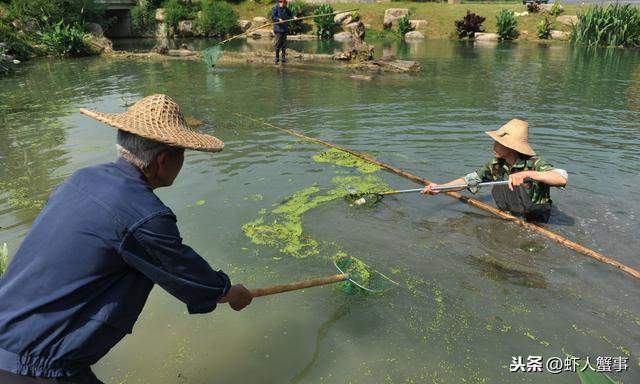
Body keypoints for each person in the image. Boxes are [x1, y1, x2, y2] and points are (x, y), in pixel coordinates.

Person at [0, 94, 253, 384]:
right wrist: (231, 293)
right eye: (182, 153)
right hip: (36, 366)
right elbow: (191, 278)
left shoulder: (80, 179)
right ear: (163, 160)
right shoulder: (145, 216)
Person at [421, 119, 568, 223]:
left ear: (511, 147)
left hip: (536, 219)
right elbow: (468, 180)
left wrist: (526, 174)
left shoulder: (534, 163)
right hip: (508, 215)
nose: (494, 145)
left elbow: (560, 178)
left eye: (499, 142)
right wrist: (440, 188)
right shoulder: (496, 165)